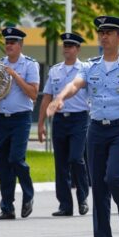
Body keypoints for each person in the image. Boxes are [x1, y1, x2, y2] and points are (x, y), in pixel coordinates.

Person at [47, 16, 119, 237]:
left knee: (114, 177)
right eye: (101, 32)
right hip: (97, 129)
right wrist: (60, 98)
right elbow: (75, 84)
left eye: (110, 32)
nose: (104, 36)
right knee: (98, 187)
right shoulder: (90, 66)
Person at [38, 32, 90, 217]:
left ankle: (82, 197)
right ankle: (65, 205)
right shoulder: (55, 71)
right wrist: (41, 123)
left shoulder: (85, 69)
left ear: (77, 49)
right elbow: (47, 98)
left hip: (79, 118)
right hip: (60, 120)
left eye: (71, 45)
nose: (66, 48)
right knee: (60, 163)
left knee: (76, 158)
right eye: (65, 45)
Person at [0, 27, 40, 220]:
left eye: (13, 42)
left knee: (16, 159)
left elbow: (33, 93)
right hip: (2, 117)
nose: (9, 46)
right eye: (7, 42)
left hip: (21, 117)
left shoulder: (30, 65)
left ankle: (28, 195)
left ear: (20, 45)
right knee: (3, 163)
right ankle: (7, 207)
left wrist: (14, 75)